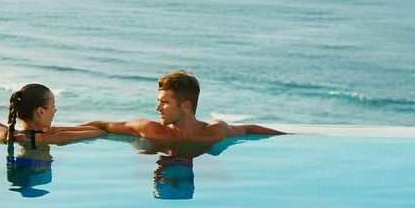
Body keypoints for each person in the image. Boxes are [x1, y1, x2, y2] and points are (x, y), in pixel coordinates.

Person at [80, 70, 285, 141]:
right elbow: (102, 125)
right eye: (158, 102)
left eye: (165, 103)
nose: (158, 108)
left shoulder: (215, 131)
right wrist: (61, 132)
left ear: (186, 106)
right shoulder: (150, 129)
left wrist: (287, 137)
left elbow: (249, 128)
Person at [0, 84, 105, 148]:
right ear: (40, 111)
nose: (54, 111)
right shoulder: (51, 137)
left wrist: (6, 133)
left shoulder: (15, 135)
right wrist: (57, 129)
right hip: (37, 175)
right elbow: (98, 132)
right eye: (53, 106)